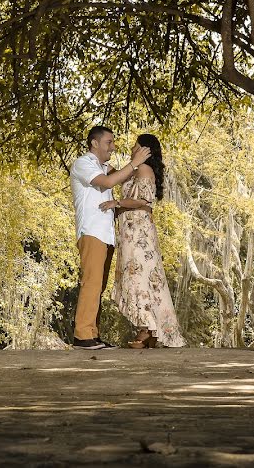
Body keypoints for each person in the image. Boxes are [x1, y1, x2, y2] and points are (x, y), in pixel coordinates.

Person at [69, 126, 151, 350]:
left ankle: (92, 334)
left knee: (99, 287)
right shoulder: (83, 163)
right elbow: (106, 183)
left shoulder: (105, 167)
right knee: (91, 284)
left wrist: (139, 164)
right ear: (94, 143)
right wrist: (134, 163)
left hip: (106, 234)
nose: (113, 147)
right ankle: (82, 336)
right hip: (91, 232)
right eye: (109, 142)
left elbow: (127, 177)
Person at [103, 134, 186, 348]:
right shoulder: (136, 169)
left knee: (140, 275)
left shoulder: (145, 170)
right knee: (137, 275)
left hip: (139, 232)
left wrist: (117, 202)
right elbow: (116, 176)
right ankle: (149, 329)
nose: (132, 147)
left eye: (136, 145)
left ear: (145, 150)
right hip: (130, 231)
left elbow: (143, 199)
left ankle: (146, 329)